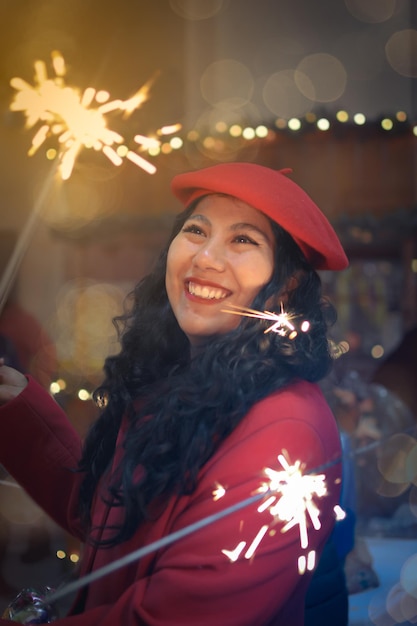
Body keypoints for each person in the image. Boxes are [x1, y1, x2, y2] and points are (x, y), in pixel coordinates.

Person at [0, 162, 349, 625]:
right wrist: (19, 405)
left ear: (286, 285)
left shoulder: (284, 432)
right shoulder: (171, 382)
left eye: (243, 240)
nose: (205, 258)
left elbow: (171, 618)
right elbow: (110, 520)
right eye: (196, 231)